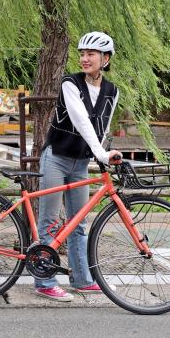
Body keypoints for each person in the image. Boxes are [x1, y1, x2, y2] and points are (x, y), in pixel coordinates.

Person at [34, 32, 123, 302]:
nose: (84, 58)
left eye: (91, 54)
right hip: (56, 157)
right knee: (50, 222)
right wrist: (101, 154)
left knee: (78, 223)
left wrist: (102, 157)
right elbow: (81, 120)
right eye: (82, 54)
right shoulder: (69, 83)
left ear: (105, 59)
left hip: (81, 162)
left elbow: (102, 128)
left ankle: (82, 280)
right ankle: (45, 282)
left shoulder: (112, 91)